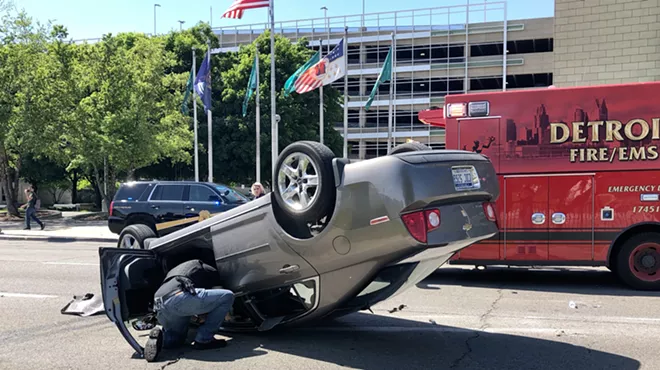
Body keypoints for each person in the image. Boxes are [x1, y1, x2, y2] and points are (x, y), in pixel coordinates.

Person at [145, 259, 234, 362]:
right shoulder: (210, 270)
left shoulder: (176, 270)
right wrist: (227, 316)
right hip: (178, 297)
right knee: (227, 296)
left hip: (159, 303)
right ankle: (204, 339)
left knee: (176, 340)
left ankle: (164, 339)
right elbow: (215, 298)